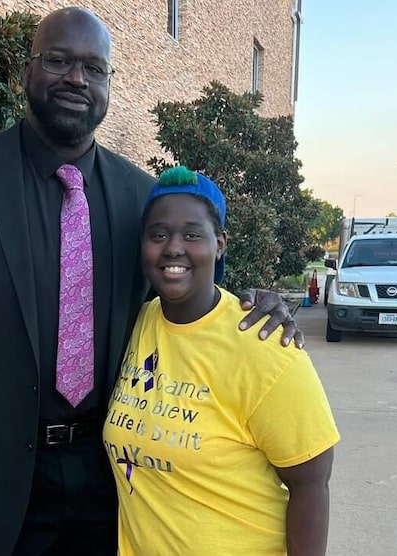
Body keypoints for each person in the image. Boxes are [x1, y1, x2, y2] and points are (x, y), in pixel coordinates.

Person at [0, 7, 303, 556]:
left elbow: (181, 294)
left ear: (107, 85)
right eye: (59, 61)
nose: (77, 78)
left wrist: (252, 302)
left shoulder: (138, 198)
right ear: (27, 72)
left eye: (94, 68)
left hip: (117, 476)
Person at [103, 166, 339, 556]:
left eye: (192, 234)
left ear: (220, 243)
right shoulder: (138, 324)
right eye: (158, 234)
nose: (173, 247)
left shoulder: (263, 343)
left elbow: (312, 482)